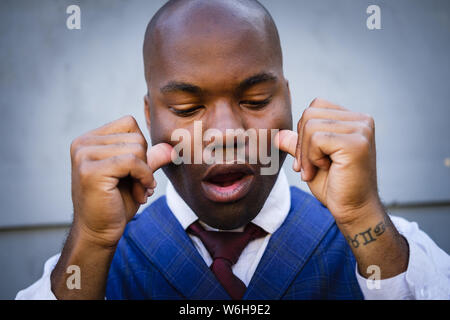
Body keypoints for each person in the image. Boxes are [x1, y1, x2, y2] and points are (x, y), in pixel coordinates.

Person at [16, 0, 449, 300]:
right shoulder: (95, 262)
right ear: (149, 117)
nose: (224, 133)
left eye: (257, 100)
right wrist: (90, 240)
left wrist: (362, 217)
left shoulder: (385, 244)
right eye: (187, 108)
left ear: (289, 100)